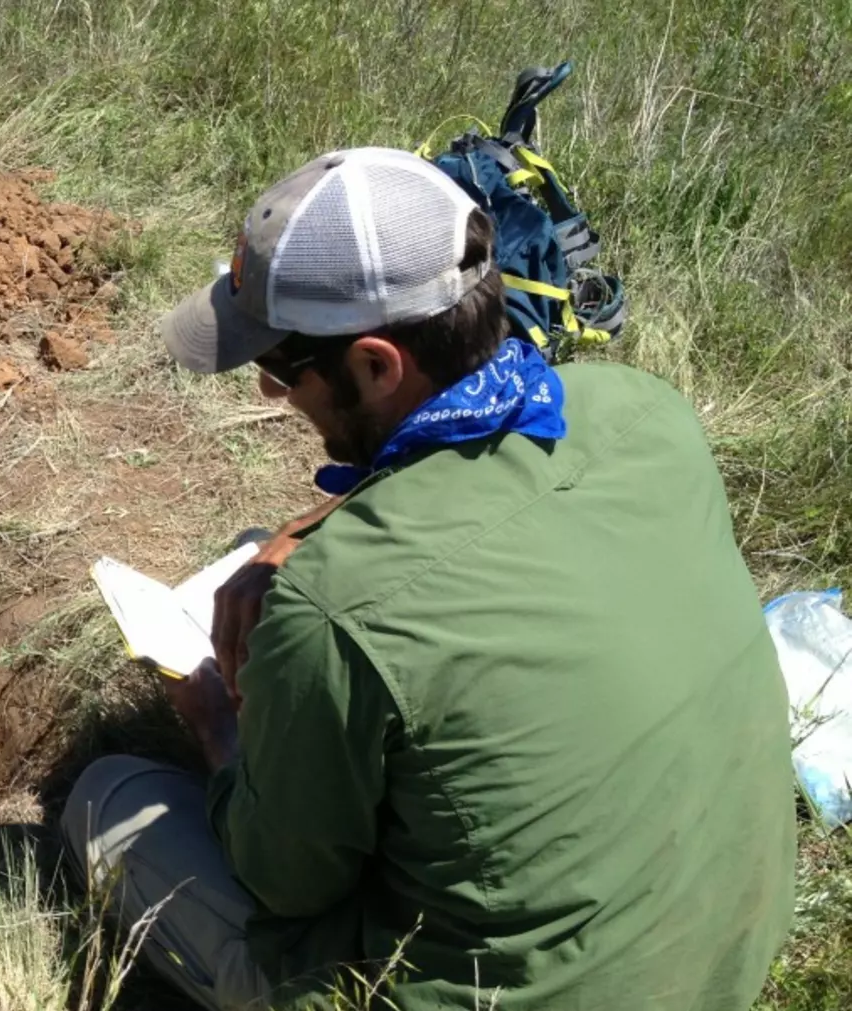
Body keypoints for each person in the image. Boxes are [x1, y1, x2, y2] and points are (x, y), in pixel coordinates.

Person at [61, 148, 796, 1010]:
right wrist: (289, 540)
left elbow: (286, 883)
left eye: (282, 365)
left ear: (376, 366)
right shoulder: (642, 411)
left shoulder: (334, 612)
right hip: (726, 955)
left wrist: (222, 731)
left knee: (109, 800)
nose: (264, 387)